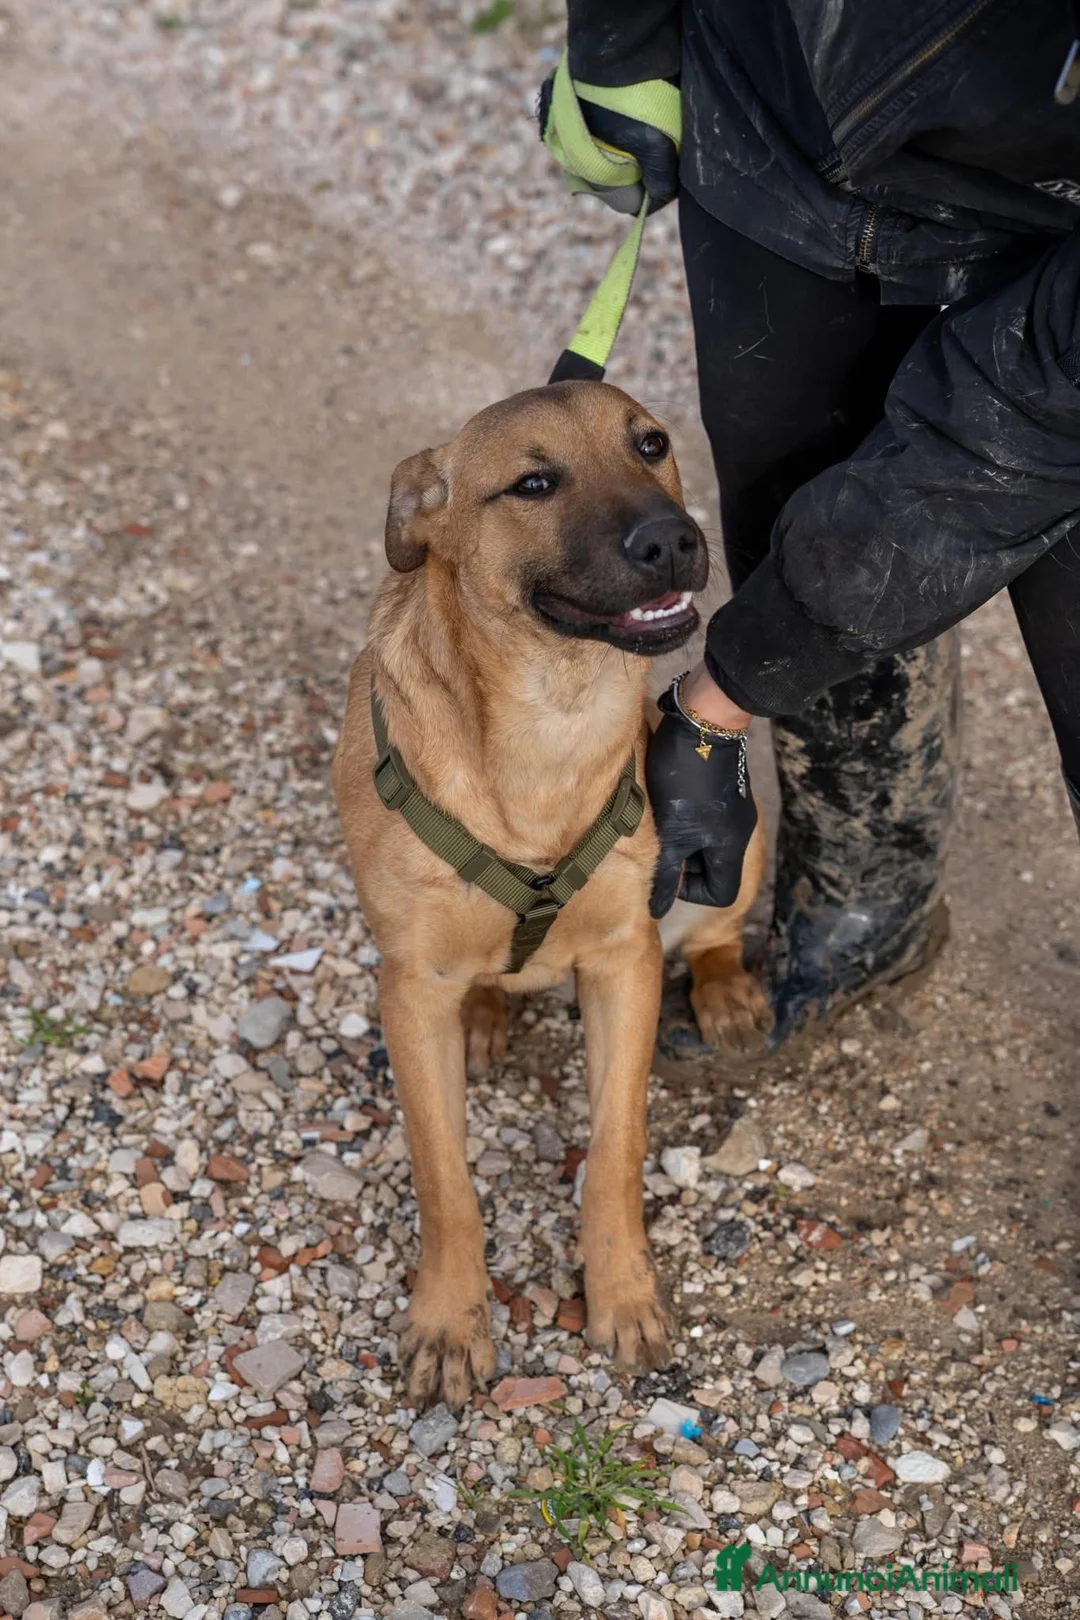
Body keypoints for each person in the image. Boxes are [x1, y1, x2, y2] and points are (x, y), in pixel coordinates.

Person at [541, 0, 1080, 1042]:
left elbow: (997, 440)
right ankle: (862, 906)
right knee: (793, 491)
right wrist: (622, 35)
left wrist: (720, 696)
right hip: (772, 123)